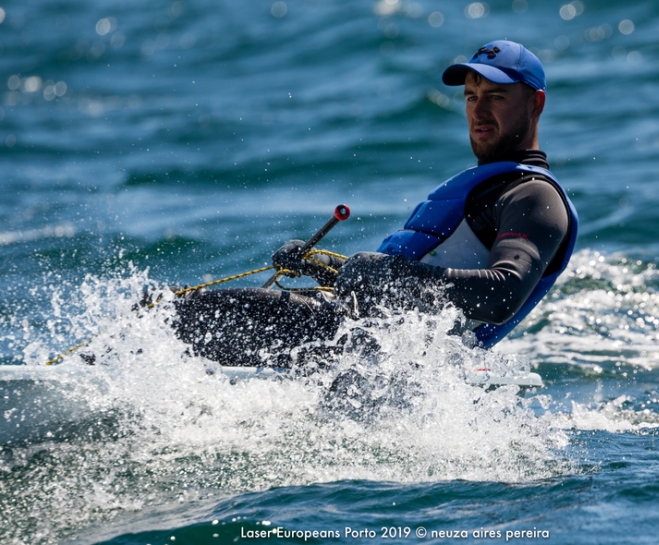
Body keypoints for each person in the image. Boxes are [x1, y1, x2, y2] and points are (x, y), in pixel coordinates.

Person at [173, 40, 578, 367]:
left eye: (496, 96)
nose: (479, 110)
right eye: (471, 97)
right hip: (352, 339)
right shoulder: (489, 186)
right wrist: (332, 269)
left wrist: (390, 274)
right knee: (173, 313)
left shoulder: (533, 196)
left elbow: (502, 295)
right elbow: (409, 284)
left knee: (174, 317)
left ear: (535, 104)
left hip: (378, 356)